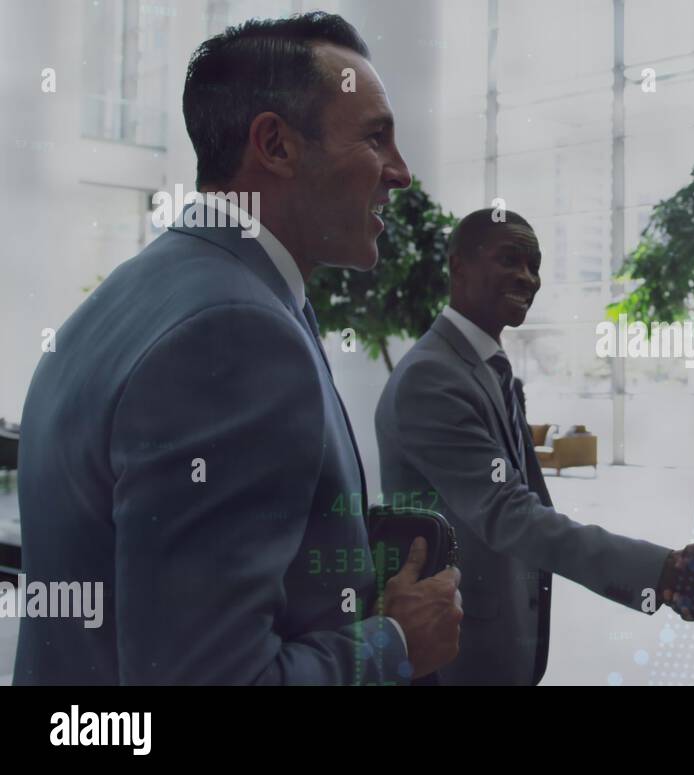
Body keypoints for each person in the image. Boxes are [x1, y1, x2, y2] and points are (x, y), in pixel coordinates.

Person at [14, 13, 462, 684]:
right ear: (276, 145)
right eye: (377, 138)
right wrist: (395, 642)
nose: (400, 172)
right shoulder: (234, 333)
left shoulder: (145, 292)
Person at [375, 209, 694, 685]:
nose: (527, 278)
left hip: (499, 638)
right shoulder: (432, 378)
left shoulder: (485, 366)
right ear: (458, 266)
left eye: (534, 265)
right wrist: (663, 572)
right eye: (510, 259)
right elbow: (509, 513)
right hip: (454, 652)